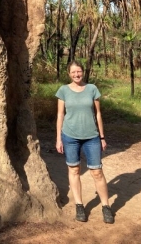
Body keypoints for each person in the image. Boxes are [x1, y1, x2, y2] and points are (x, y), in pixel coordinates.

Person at [56, 61, 114, 224]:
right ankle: (79, 206)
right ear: (69, 73)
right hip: (70, 136)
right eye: (73, 72)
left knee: (97, 172)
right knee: (74, 170)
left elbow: (98, 114)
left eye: (79, 71)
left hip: (91, 137)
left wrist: (102, 137)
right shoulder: (63, 91)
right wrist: (59, 138)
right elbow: (60, 115)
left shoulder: (92, 89)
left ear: (83, 72)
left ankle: (106, 206)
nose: (76, 75)